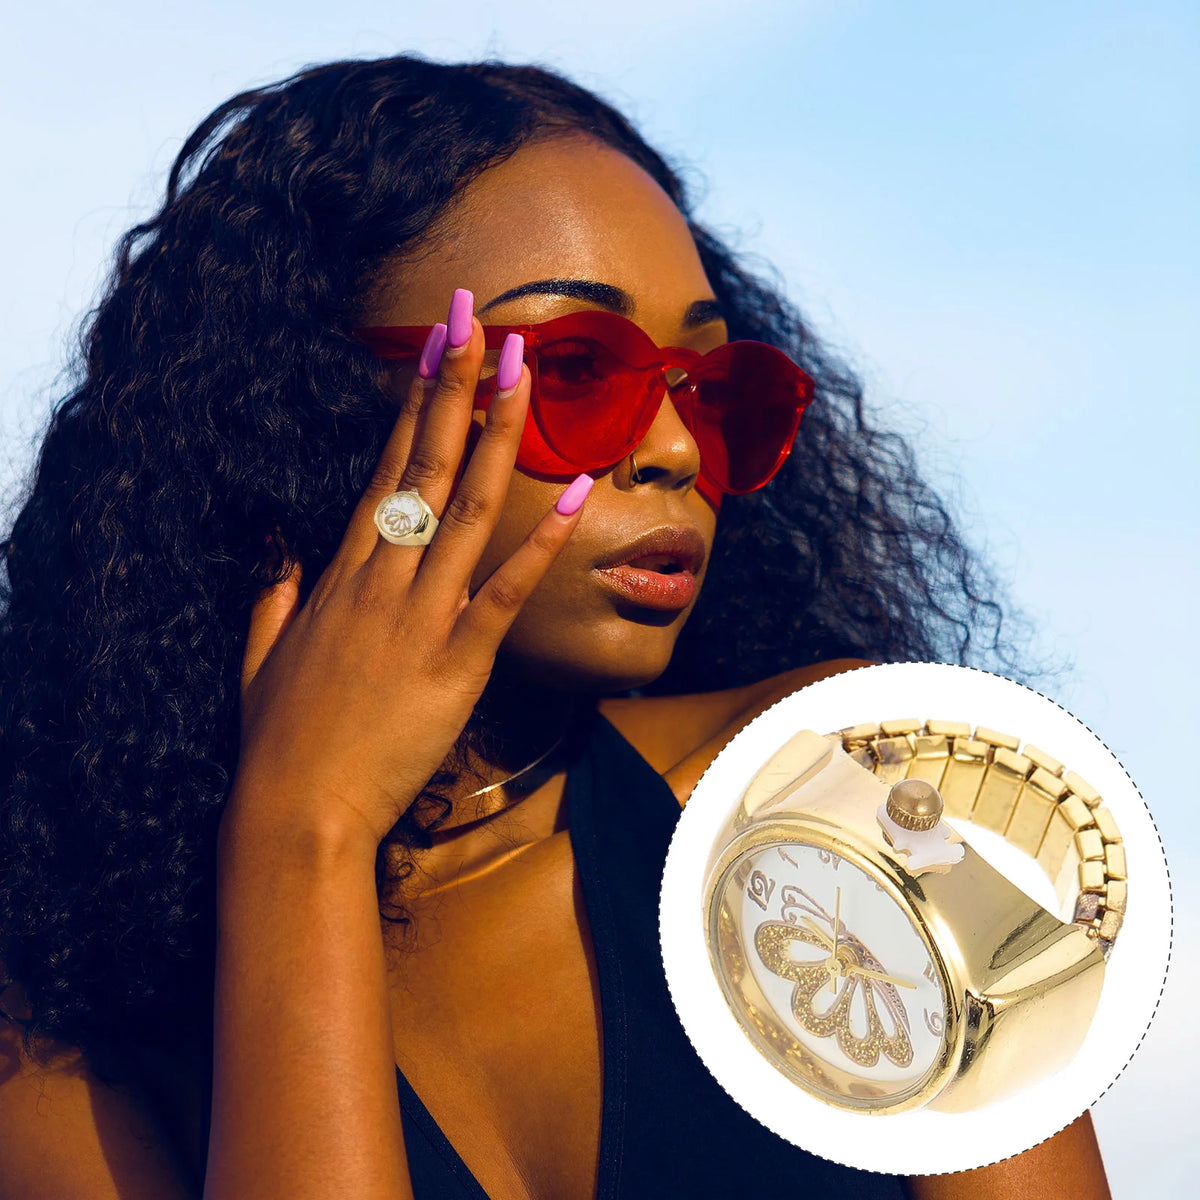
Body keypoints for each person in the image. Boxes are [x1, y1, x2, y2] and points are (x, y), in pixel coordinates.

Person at [0, 54, 1111, 1199]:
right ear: (303, 403)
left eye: (712, 388)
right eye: (578, 369)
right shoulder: (59, 1018)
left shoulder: (860, 776)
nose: (676, 451)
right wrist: (302, 839)